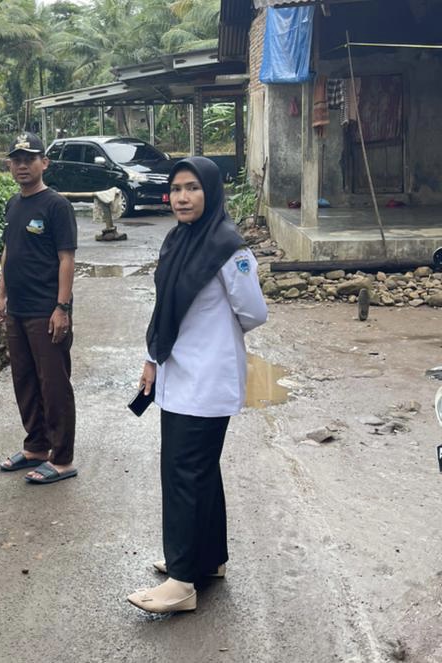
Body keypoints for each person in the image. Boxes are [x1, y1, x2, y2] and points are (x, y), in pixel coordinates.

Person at [127, 156, 267, 613]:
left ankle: (182, 580)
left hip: (207, 380)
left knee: (185, 473)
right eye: (176, 189)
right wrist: (152, 360)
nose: (182, 197)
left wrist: (214, 340)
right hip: (176, 375)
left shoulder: (228, 247)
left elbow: (253, 312)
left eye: (192, 188)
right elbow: (164, 307)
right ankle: (207, 559)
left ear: (210, 192)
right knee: (199, 471)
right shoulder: (177, 240)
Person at [0, 132, 79, 484]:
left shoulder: (56, 205)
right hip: (17, 309)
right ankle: (36, 447)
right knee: (25, 381)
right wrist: (1, 295)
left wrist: (62, 307)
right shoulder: (14, 205)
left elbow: (66, 259)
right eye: (16, 159)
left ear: (44, 162)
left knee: (54, 384)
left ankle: (61, 459)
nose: (22, 165)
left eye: (29, 158)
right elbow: (7, 253)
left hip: (46, 311)